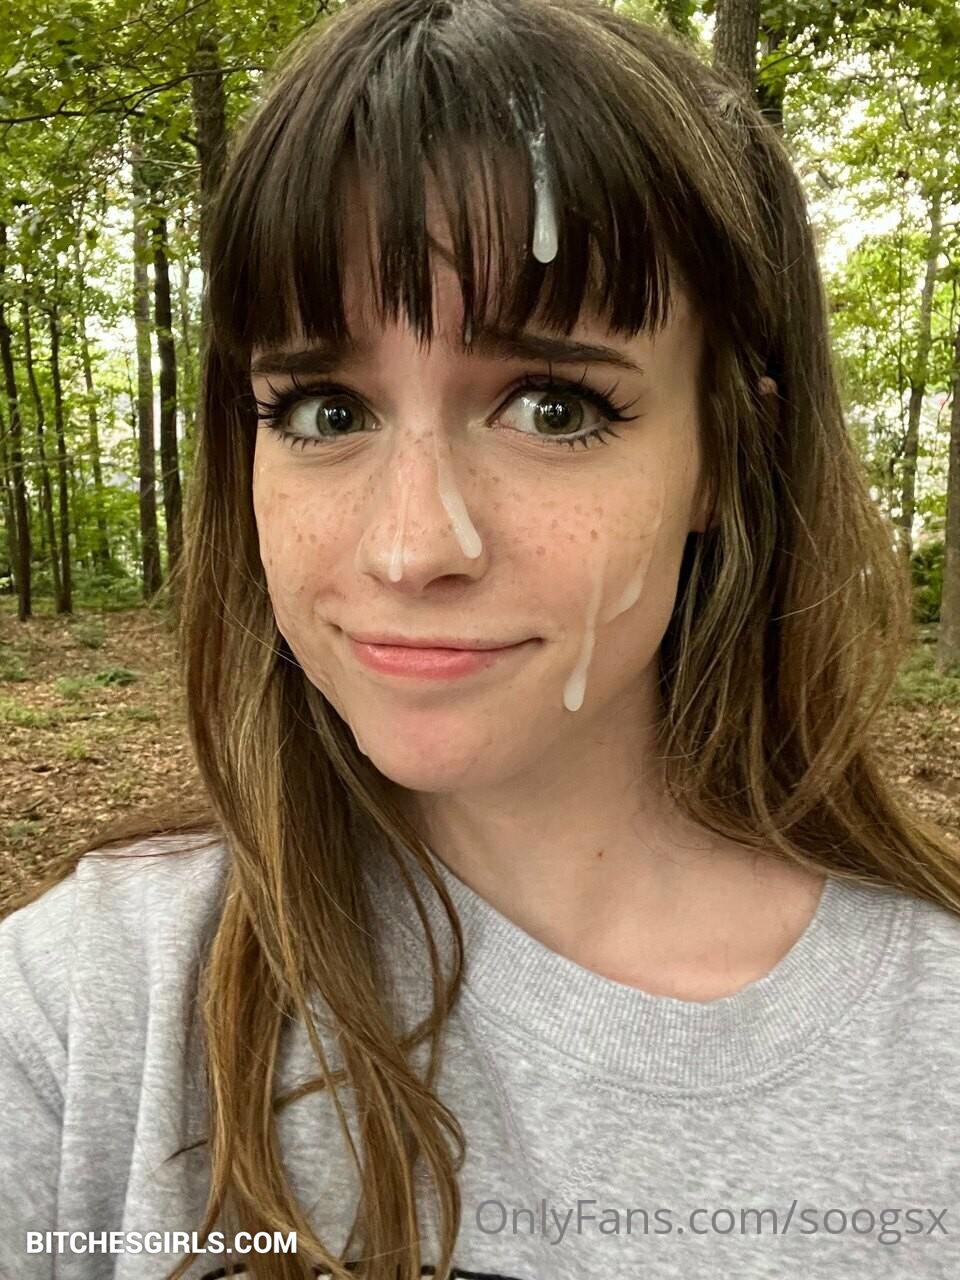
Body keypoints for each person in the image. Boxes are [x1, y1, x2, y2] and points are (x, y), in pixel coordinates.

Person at [3, 0, 960, 1276]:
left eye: (552, 406)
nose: (412, 547)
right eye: (323, 408)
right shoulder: (90, 1006)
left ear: (729, 454)